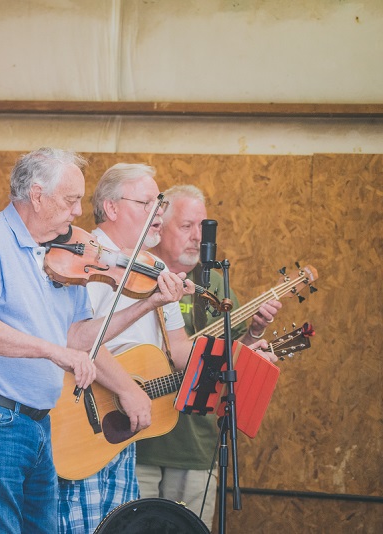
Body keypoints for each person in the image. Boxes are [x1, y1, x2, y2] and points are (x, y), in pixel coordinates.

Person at [0, 148, 166, 532]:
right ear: (37, 195)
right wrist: (50, 350)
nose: (79, 211)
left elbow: (78, 337)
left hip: (37, 420)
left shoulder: (64, 253)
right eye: (71, 199)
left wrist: (147, 305)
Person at [57, 163, 197, 533]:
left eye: (160, 203)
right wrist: (126, 388)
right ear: (112, 207)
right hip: (80, 417)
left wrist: (236, 353)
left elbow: (179, 349)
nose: (159, 213)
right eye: (148, 202)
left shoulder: (155, 267)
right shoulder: (84, 258)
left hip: (123, 429)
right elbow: (77, 338)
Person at [136, 184, 281, 528]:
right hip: (136, 439)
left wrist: (255, 333)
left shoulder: (214, 284)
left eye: (203, 227)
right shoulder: (136, 275)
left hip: (194, 445)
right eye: (186, 226)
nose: (197, 237)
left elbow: (229, 356)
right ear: (158, 229)